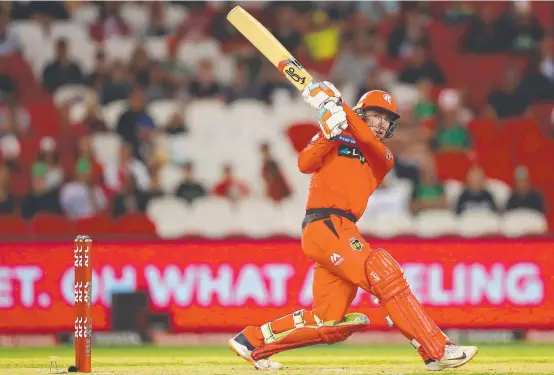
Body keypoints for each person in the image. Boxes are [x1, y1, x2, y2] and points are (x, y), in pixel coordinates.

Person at [228, 81, 478, 371]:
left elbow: (368, 141)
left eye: (387, 119)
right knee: (384, 273)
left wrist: (339, 105)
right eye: (376, 115)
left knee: (327, 321)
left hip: (341, 229)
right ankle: (436, 350)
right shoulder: (334, 135)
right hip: (325, 224)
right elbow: (304, 163)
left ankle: (252, 342)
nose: (382, 124)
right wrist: (327, 132)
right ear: (362, 113)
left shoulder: (383, 156)